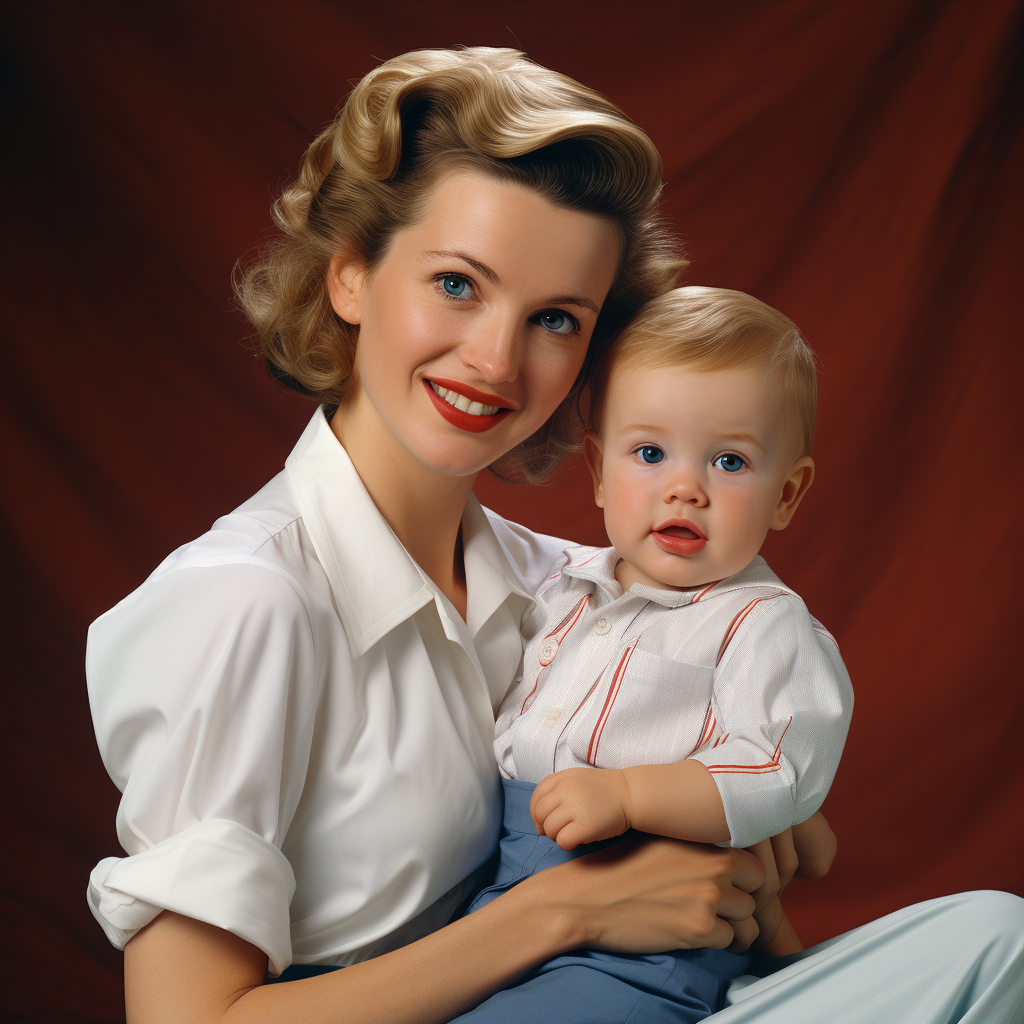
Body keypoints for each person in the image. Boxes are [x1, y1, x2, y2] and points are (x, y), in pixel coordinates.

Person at [83, 46, 1024, 1024]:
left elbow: (728, 762)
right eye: (457, 284)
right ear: (351, 277)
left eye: (557, 319)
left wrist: (740, 823)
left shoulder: (576, 588)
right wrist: (565, 908)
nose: (495, 357)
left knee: (998, 943)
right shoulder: (243, 600)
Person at [449, 286, 853, 1023]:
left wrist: (631, 795)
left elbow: (777, 768)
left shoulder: (763, 624)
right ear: (600, 473)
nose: (684, 487)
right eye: (649, 452)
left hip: (650, 943)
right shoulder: (566, 591)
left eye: (729, 461)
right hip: (506, 888)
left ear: (787, 494)